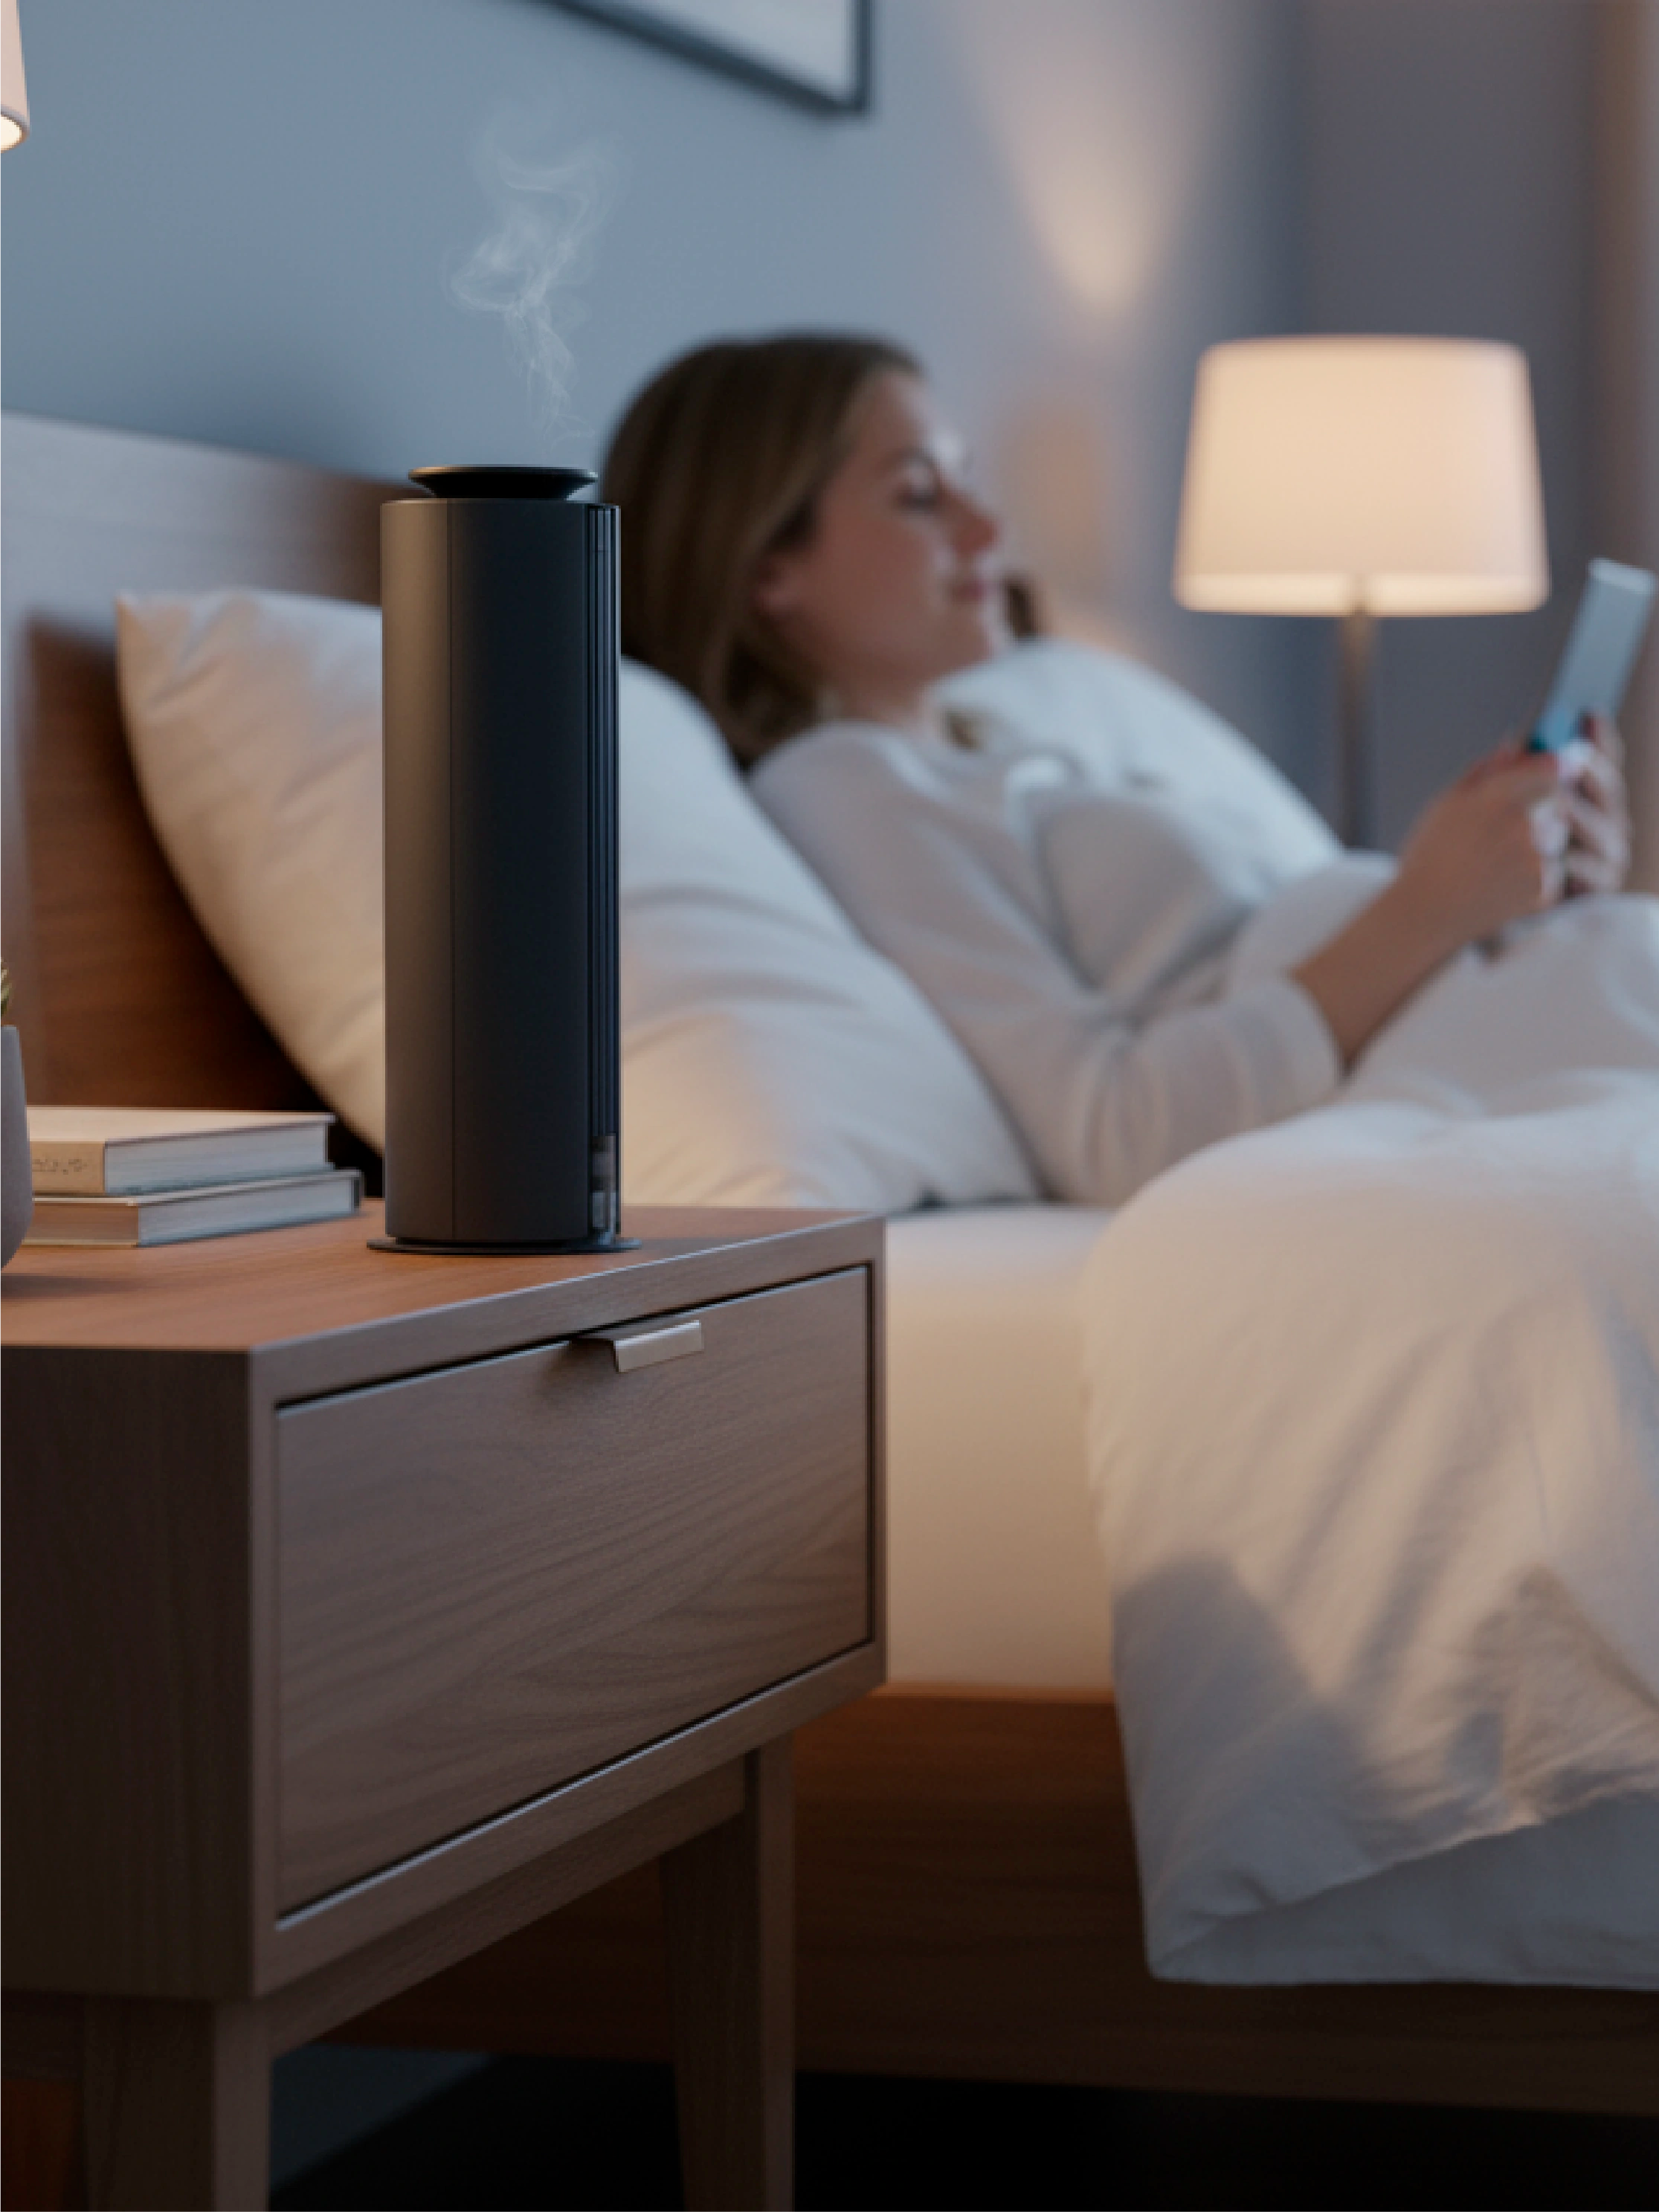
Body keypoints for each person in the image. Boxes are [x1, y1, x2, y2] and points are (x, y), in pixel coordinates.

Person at [601, 333, 1634, 1205]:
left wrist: (1522, 890)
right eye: (919, 495)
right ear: (764, 570)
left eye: (967, 479)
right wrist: (1424, 911)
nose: (989, 530)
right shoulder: (845, 787)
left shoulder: (999, 746)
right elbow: (1107, 1130)